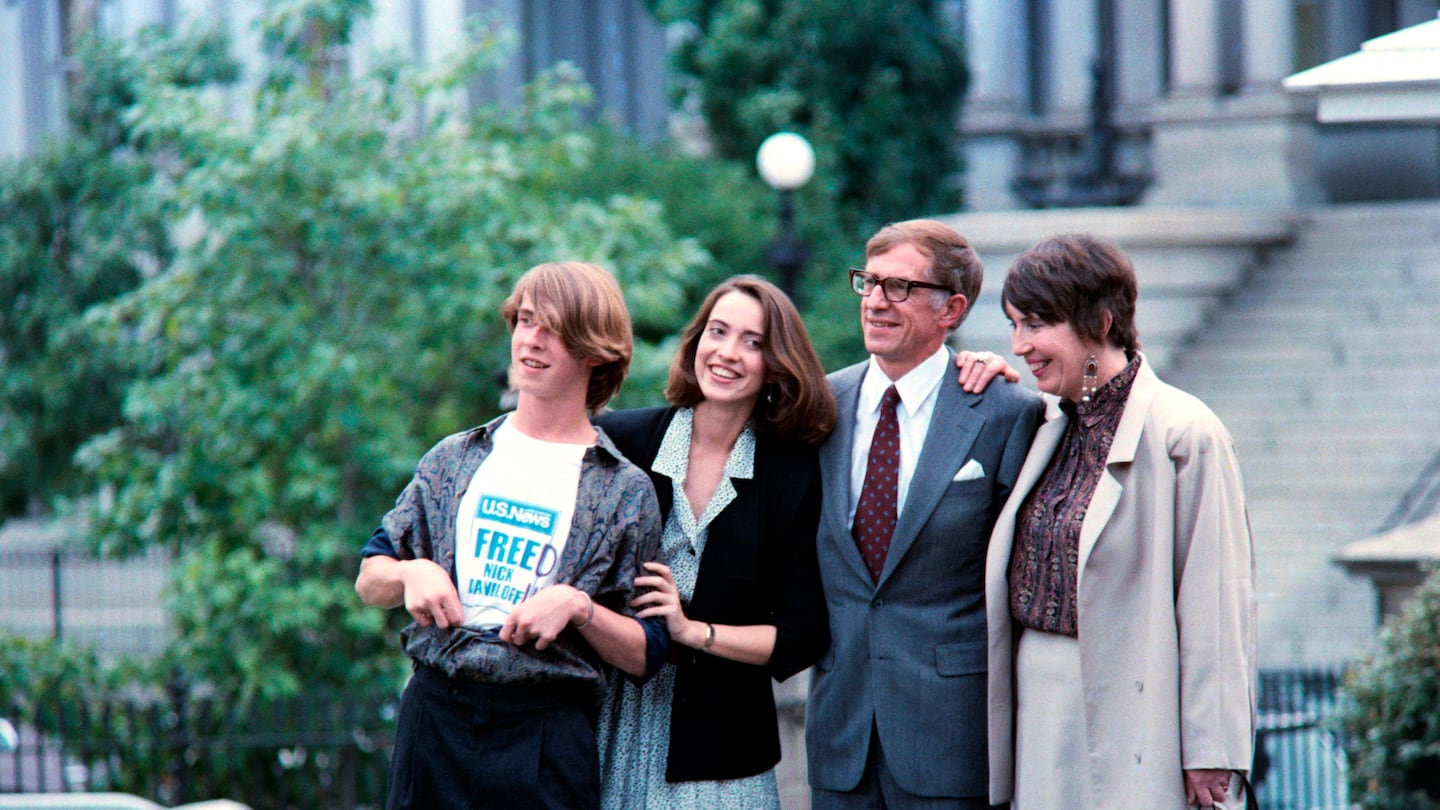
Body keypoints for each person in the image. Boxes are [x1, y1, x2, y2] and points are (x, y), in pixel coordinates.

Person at [354, 261, 665, 810]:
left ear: (594, 351)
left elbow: (647, 652)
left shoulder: (624, 489)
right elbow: (369, 579)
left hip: (547, 728)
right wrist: (411, 571)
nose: (532, 340)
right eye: (525, 321)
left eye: (554, 329)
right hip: (437, 714)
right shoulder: (455, 457)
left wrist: (577, 607)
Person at [983, 234, 1257, 809]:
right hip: (1038, 706)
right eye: (1013, 326)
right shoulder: (1045, 422)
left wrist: (1212, 751)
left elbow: (1217, 603)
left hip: (1138, 713)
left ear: (1101, 321)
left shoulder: (1185, 431)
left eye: (1035, 324)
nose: (1019, 345)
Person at [807, 218, 1045, 809]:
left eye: (901, 288)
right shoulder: (817, 408)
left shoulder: (1005, 413)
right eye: (870, 283)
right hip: (841, 737)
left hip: (951, 742)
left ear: (952, 309)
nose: (877, 303)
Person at [592, 275, 836, 809]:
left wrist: (691, 630)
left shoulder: (792, 474)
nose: (728, 353)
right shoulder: (623, 442)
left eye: (753, 342)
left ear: (775, 364)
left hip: (724, 750)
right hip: (602, 726)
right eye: (717, 332)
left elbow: (803, 633)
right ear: (695, 341)